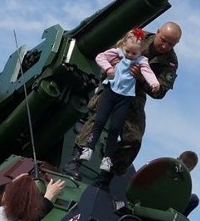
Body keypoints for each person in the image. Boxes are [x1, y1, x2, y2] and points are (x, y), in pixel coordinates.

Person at [65, 21, 182, 179]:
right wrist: (112, 66)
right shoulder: (137, 38)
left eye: (170, 44)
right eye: (163, 40)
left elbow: (160, 92)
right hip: (114, 83)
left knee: (133, 139)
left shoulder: (170, 62)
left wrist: (142, 79)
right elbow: (110, 53)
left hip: (135, 94)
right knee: (97, 120)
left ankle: (107, 175)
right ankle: (74, 162)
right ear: (158, 32)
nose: (164, 46)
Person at [78, 30, 160, 174]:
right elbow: (100, 57)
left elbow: (148, 73)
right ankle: (88, 148)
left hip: (125, 97)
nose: (129, 55)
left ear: (140, 52)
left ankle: (107, 158)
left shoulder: (141, 61)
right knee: (99, 121)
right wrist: (108, 68)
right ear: (123, 46)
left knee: (115, 128)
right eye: (127, 51)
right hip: (110, 91)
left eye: (134, 53)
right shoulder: (117, 53)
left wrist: (154, 83)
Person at [178, 150, 199, 215]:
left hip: (173, 203)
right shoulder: (166, 168)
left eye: (189, 166)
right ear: (177, 159)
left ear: (192, 169)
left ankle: (179, 217)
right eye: (184, 162)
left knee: (194, 199)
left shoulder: (185, 182)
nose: (185, 166)